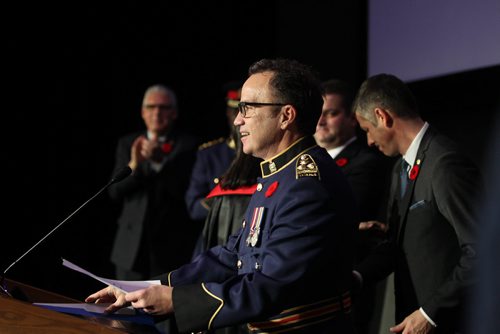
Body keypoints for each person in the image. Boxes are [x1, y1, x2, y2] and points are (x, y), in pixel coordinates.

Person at [86, 58, 359, 334]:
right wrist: (144, 289)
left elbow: (271, 286)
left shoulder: (306, 184)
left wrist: (175, 300)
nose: (238, 119)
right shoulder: (279, 175)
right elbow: (231, 257)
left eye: (248, 108)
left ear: (286, 116)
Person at [353, 74, 482, 333]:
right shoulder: (399, 169)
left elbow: (483, 250)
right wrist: (357, 277)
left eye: (367, 130)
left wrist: (430, 314)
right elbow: (397, 247)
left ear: (382, 116)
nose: (368, 141)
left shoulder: (445, 164)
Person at [314, 78, 394, 334]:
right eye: (318, 114)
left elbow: (336, 216)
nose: (321, 121)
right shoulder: (305, 165)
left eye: (332, 113)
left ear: (352, 118)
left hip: (345, 287)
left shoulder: (365, 163)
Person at [107, 84, 200, 281]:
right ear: (143, 112)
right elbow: (114, 192)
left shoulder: (189, 145)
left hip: (170, 249)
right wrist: (135, 165)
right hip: (129, 249)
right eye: (151, 107)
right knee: (124, 307)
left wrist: (159, 164)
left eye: (164, 107)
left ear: (174, 113)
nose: (157, 112)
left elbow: (184, 193)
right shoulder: (129, 143)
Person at [185, 81, 243, 223]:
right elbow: (194, 207)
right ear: (227, 113)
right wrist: (228, 201)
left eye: (244, 112)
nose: (239, 119)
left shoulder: (265, 153)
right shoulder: (209, 155)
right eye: (235, 112)